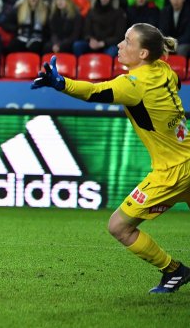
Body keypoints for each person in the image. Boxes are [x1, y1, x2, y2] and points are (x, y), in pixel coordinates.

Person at [31, 23, 190, 293]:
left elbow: (94, 92)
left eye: (127, 41)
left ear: (143, 54)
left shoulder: (133, 85)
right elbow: (174, 84)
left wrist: (61, 83)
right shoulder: (165, 70)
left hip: (172, 172)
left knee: (119, 226)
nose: (119, 45)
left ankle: (174, 271)